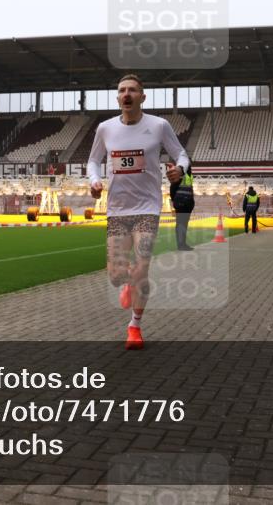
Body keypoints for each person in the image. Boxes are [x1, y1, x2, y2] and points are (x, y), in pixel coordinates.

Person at [89, 74, 189, 350]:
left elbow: (182, 154)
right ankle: (126, 283)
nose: (127, 94)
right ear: (118, 97)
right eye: (122, 90)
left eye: (132, 90)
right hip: (117, 210)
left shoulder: (159, 126)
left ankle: (134, 326)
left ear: (142, 97)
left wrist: (179, 169)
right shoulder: (105, 129)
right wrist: (94, 181)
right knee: (116, 275)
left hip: (147, 208)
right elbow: (92, 161)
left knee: (143, 266)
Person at [169, 162, 195, 251]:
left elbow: (190, 190)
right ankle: (181, 245)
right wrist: (175, 201)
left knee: (183, 225)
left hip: (186, 204)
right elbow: (172, 189)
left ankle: (182, 244)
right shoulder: (179, 176)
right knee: (181, 225)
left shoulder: (188, 177)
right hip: (182, 204)